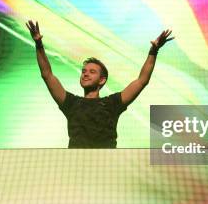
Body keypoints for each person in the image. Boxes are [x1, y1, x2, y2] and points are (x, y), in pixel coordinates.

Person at [26, 20, 174, 148]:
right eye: (84, 71)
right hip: (76, 165)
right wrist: (39, 44)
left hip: (105, 165)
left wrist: (153, 50)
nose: (85, 73)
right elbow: (47, 74)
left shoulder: (112, 104)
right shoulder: (71, 103)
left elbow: (142, 80)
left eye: (92, 72)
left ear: (102, 80)